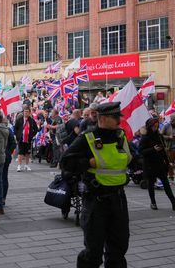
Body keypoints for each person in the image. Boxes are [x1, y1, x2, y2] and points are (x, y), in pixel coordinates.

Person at [60, 102, 131, 268]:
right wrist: (88, 163)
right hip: (96, 200)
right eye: (115, 118)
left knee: (118, 249)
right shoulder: (88, 137)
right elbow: (66, 163)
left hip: (118, 199)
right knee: (93, 251)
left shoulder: (120, 136)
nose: (119, 121)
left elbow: (129, 158)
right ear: (103, 119)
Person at [140, 117, 175, 211]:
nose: (155, 128)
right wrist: (153, 149)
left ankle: (174, 203)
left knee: (166, 183)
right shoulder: (145, 137)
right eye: (153, 126)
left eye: (157, 126)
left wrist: (168, 161)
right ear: (149, 127)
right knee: (151, 184)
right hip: (149, 164)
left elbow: (164, 150)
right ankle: (153, 202)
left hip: (160, 164)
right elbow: (141, 151)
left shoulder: (159, 136)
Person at [13, 105, 38, 172]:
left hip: (28, 139)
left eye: (27, 112)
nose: (26, 113)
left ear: (29, 113)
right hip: (21, 139)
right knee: (20, 152)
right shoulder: (19, 120)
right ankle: (19, 166)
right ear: (23, 112)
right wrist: (17, 135)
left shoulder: (32, 120)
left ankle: (27, 165)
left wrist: (32, 135)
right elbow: (15, 128)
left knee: (27, 153)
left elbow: (36, 129)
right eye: (25, 112)